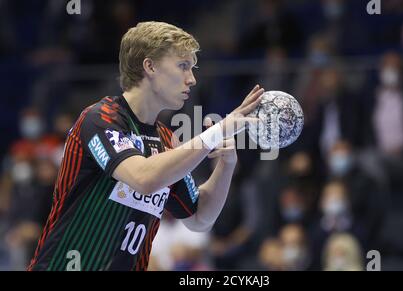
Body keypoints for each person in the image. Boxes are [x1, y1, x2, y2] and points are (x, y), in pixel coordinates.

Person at [27, 21, 264, 271]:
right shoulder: (100, 119)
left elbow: (199, 218)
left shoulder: (166, 140)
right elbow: (143, 177)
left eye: (192, 68)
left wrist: (226, 165)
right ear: (149, 66)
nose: (192, 79)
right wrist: (217, 132)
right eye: (183, 66)